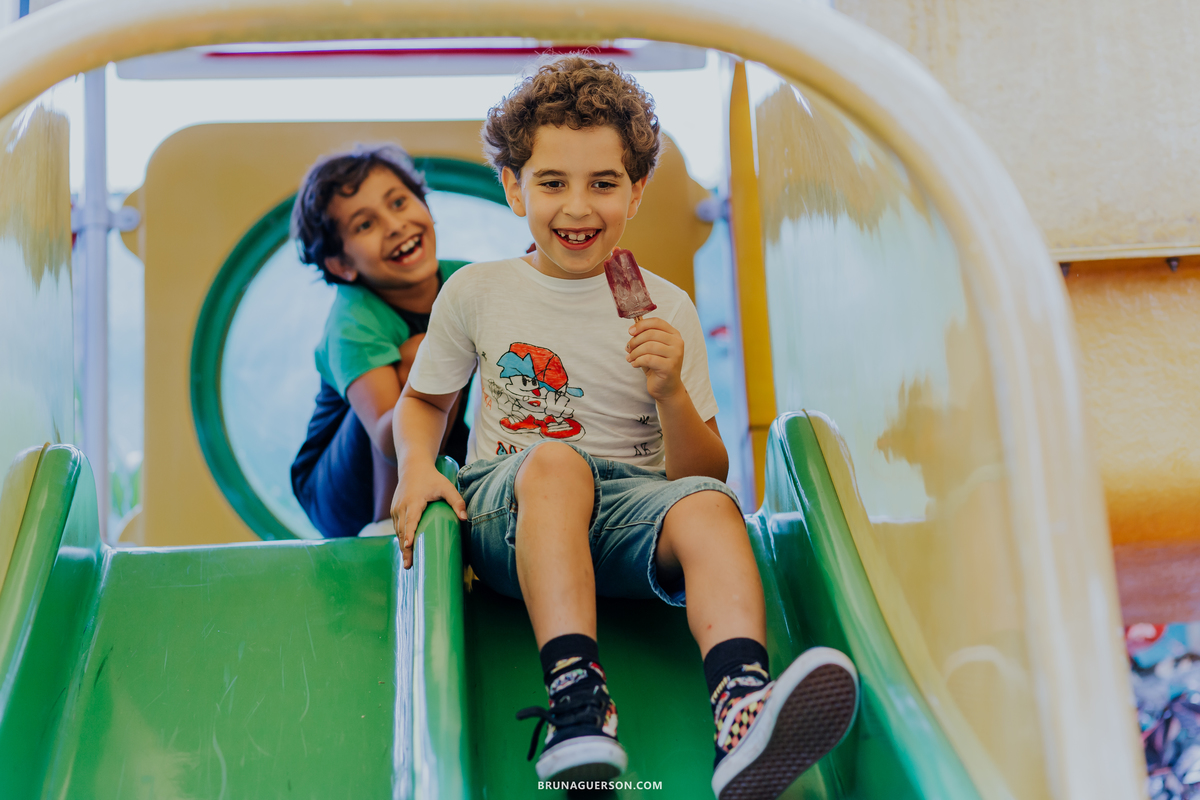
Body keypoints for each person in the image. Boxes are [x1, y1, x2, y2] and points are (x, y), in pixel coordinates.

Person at [390, 57, 859, 799]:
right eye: (552, 183)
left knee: (710, 509)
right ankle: (577, 705)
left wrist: (670, 390)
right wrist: (418, 468)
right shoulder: (477, 291)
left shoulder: (663, 309)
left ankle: (741, 709)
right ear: (513, 187)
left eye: (603, 184)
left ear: (636, 192)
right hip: (512, 510)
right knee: (556, 465)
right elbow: (422, 404)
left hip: (629, 518)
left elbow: (701, 475)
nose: (578, 207)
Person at [290, 145, 470, 539]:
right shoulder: (353, 321)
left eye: (400, 202)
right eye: (365, 225)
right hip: (341, 488)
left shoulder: (466, 283)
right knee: (425, 353)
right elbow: (390, 440)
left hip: (433, 440)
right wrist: (445, 354)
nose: (394, 225)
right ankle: (388, 524)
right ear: (343, 265)